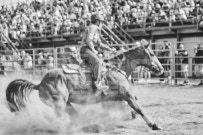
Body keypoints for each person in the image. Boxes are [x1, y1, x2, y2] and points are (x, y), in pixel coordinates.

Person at [80, 14, 115, 94]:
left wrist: (110, 49)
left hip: (87, 50)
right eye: (101, 22)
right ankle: (97, 83)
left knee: (101, 64)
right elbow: (89, 40)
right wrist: (93, 50)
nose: (102, 24)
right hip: (85, 50)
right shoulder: (93, 27)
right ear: (97, 21)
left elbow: (100, 44)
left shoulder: (96, 30)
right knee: (98, 62)